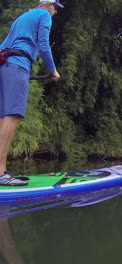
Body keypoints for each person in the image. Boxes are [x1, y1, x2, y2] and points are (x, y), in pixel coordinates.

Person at [0, 0, 63, 186]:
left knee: (3, 118)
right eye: (55, 8)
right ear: (47, 5)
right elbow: (43, 44)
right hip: (18, 65)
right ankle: (1, 173)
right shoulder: (43, 15)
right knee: (13, 117)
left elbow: (3, 44)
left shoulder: (22, 17)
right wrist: (52, 70)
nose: (55, 12)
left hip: (5, 65)